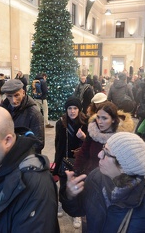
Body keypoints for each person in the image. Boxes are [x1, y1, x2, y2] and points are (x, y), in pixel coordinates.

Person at [60, 132, 145, 233]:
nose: (99, 154)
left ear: (124, 167)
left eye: (106, 153)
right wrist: (70, 195)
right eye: (103, 148)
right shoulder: (96, 178)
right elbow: (77, 211)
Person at [53, 97, 87, 228]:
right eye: (69, 108)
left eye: (75, 108)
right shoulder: (60, 123)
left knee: (78, 186)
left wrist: (84, 138)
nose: (72, 111)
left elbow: (91, 143)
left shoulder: (86, 122)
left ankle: (76, 213)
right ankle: (62, 204)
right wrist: (57, 161)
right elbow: (58, 143)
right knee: (63, 184)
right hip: (64, 159)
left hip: (80, 160)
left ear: (79, 109)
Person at [74, 102, 134, 175]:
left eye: (104, 118)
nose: (99, 122)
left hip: (111, 179)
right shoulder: (93, 131)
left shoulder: (121, 138)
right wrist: (75, 172)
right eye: (98, 117)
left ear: (113, 120)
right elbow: (84, 152)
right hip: (91, 174)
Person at [1, 79, 44, 153]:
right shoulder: (2, 110)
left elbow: (38, 143)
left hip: (25, 159)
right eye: (9, 96)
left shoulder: (34, 113)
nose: (13, 100)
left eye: (16, 95)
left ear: (23, 93)